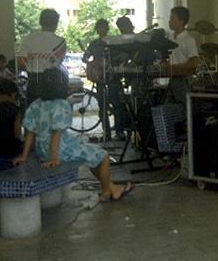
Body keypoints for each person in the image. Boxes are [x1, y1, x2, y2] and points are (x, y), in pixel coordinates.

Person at [14, 68, 133, 202]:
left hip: (42, 150)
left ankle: (112, 187)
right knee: (103, 155)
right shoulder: (61, 105)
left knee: (93, 156)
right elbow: (56, 134)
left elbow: (30, 133)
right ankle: (106, 193)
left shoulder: (35, 105)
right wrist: (54, 158)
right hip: (59, 149)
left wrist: (24, 156)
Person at [17, 9, 66, 105]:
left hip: (34, 80)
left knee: (33, 112)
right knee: (52, 112)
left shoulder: (28, 39)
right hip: (53, 82)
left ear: (40, 22)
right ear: (55, 23)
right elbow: (59, 62)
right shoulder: (61, 42)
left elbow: (21, 62)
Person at [160, 6, 200, 104]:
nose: (169, 21)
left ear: (181, 21)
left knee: (185, 106)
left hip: (183, 80)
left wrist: (175, 68)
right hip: (171, 79)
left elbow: (194, 63)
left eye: (172, 18)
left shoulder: (189, 40)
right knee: (167, 109)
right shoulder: (169, 38)